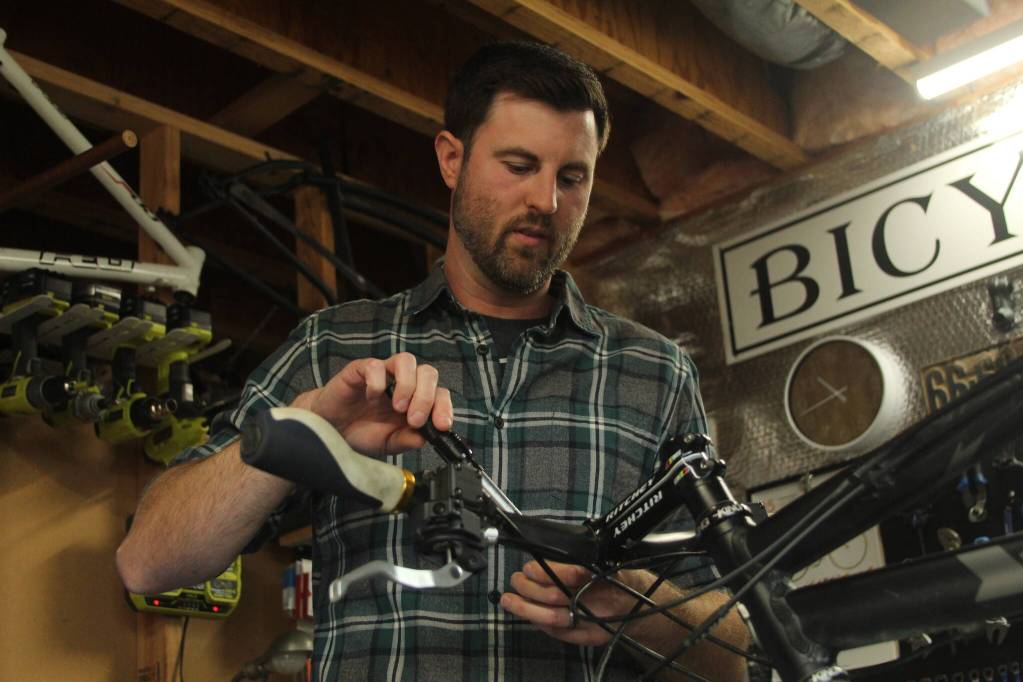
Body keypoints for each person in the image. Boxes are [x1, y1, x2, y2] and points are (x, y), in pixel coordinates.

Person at [117, 41, 749, 681]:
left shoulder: (654, 374)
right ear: (452, 159)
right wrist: (308, 427)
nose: (546, 202)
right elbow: (148, 561)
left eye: (572, 177)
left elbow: (736, 655)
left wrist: (642, 604)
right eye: (519, 164)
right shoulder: (334, 348)